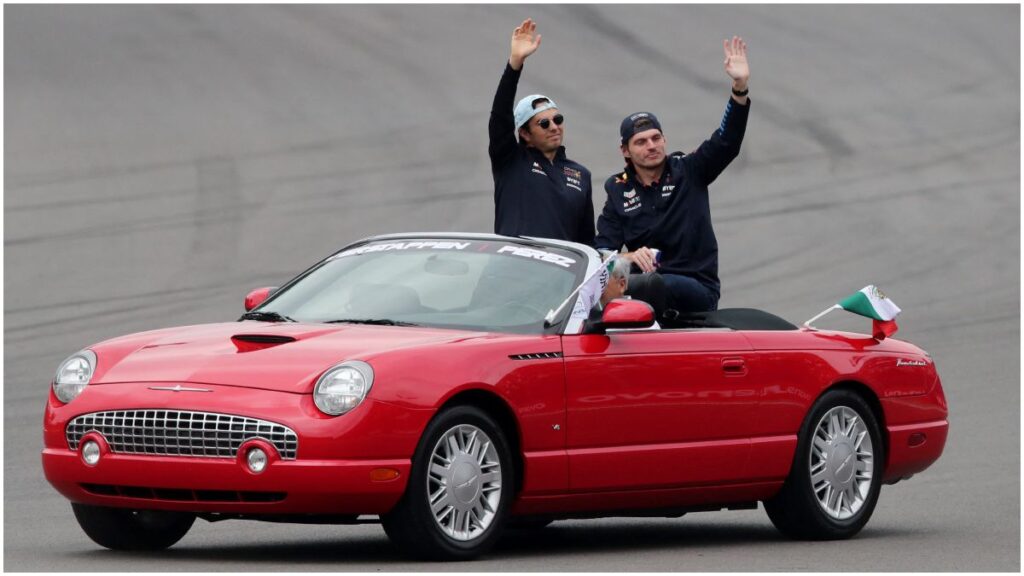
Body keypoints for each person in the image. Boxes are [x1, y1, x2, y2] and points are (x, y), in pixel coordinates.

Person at [595, 36, 751, 314]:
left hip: (697, 288)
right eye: (641, 142)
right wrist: (630, 257)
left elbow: (726, 142)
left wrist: (739, 89)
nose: (651, 146)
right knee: (600, 292)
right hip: (646, 288)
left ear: (665, 140)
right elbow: (603, 255)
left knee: (653, 284)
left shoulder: (689, 170)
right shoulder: (618, 189)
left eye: (656, 138)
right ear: (625, 151)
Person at [489, 18, 595, 245]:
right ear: (525, 134)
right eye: (544, 123)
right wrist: (515, 64)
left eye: (558, 119)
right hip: (513, 262)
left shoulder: (581, 174)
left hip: (560, 268)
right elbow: (500, 117)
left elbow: (586, 243)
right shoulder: (511, 161)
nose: (554, 126)